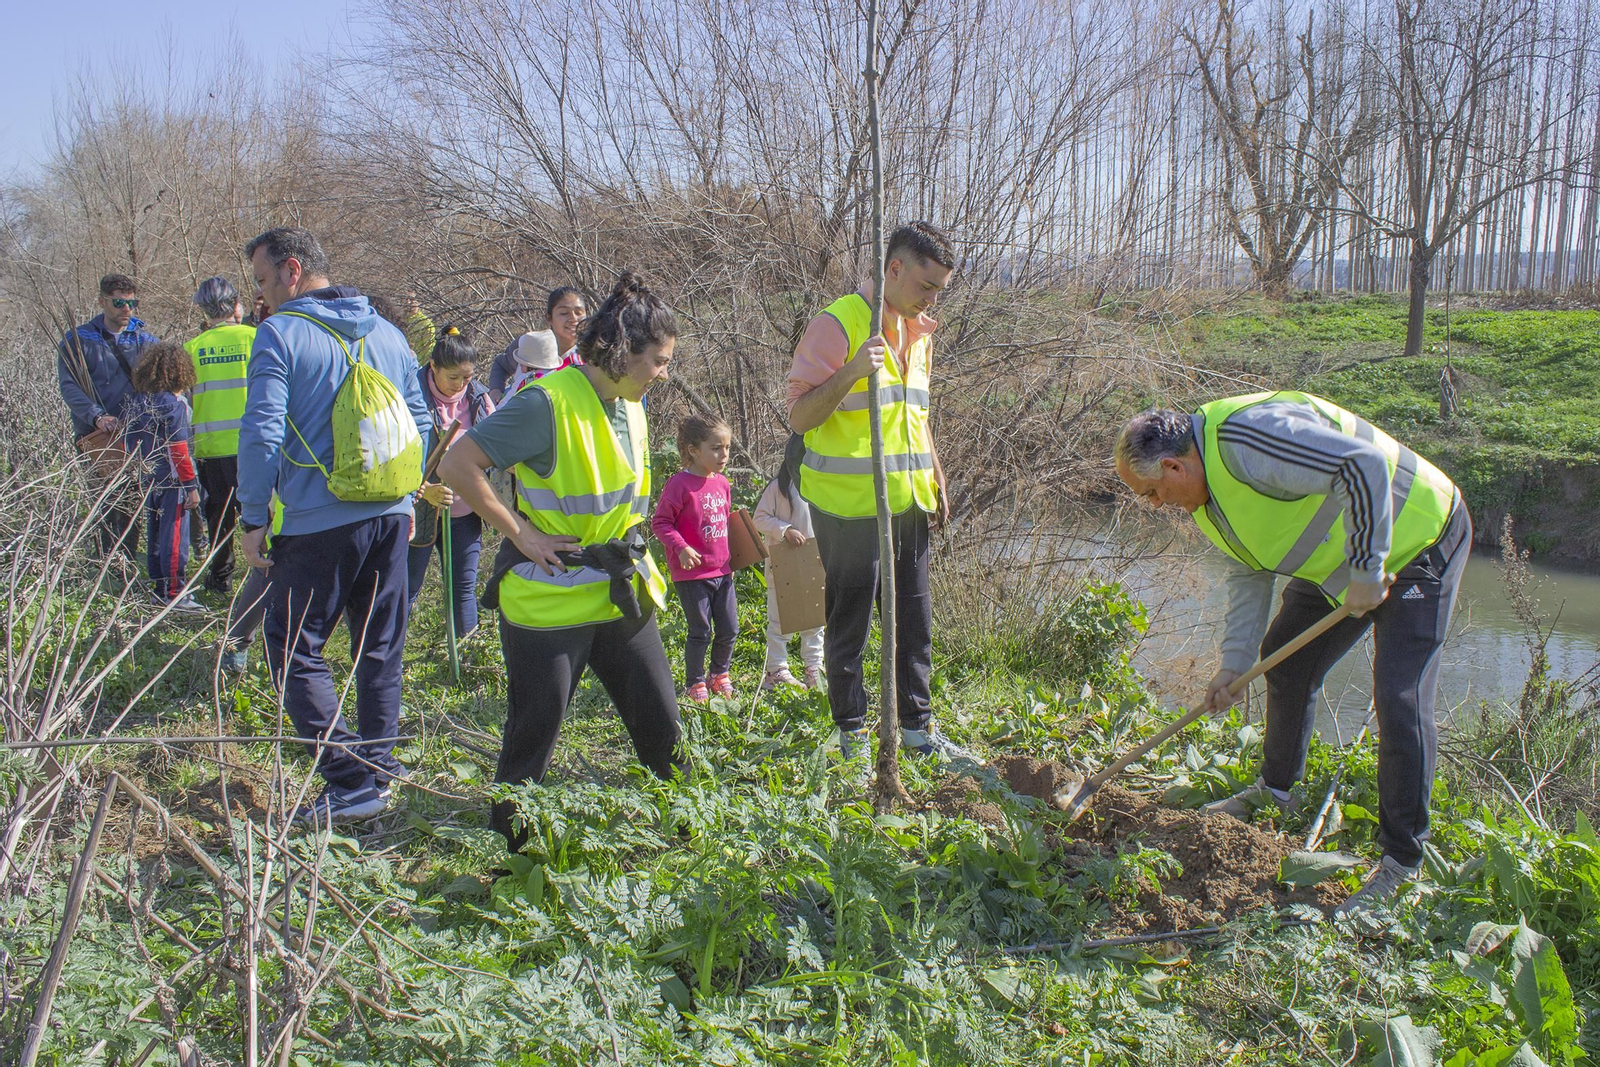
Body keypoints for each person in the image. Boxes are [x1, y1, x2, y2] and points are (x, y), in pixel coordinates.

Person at [1112, 391, 1471, 916]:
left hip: (1416, 540)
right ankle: (1276, 791)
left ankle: (1402, 861)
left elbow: (1362, 464)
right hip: (1341, 558)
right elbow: (1248, 570)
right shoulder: (1205, 499)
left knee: (1399, 696)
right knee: (1284, 659)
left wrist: (1369, 568)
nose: (1156, 504)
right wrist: (1234, 666)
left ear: (1172, 465)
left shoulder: (1246, 439)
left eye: (1151, 492)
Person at [438, 272, 685, 849]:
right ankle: (512, 866)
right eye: (660, 361)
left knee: (662, 726)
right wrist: (519, 533)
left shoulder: (631, 402)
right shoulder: (545, 403)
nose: (664, 374)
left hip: (618, 589)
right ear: (625, 353)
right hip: (550, 602)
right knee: (532, 740)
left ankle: (689, 843)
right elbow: (457, 466)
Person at [236, 227, 432, 825]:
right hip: (393, 517)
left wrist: (252, 516)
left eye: (266, 281)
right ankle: (382, 768)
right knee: (380, 646)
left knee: (292, 646)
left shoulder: (279, 334)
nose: (263, 296)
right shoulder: (389, 333)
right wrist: (400, 491)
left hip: (318, 522)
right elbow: (421, 419)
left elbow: (264, 430)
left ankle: (350, 780)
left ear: (292, 270)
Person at [785, 221, 966, 761]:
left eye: (939, 291)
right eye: (925, 287)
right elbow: (798, 417)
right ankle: (853, 737)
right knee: (851, 627)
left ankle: (917, 732)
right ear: (893, 269)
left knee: (914, 621)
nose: (932, 299)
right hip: (849, 508)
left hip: (909, 502)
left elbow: (914, 412)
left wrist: (934, 469)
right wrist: (851, 372)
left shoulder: (919, 333)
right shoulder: (837, 325)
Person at [56, 273, 161, 556]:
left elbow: (159, 385)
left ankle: (125, 560)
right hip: (96, 436)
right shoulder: (79, 340)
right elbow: (69, 386)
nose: (126, 309)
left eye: (131, 303)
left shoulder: (146, 340)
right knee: (102, 500)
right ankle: (104, 560)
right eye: (118, 303)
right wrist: (96, 416)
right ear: (102, 301)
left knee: (132, 501)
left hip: (135, 435)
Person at [408, 326, 494, 638]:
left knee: (463, 589)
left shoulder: (479, 399)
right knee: (407, 589)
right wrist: (424, 489)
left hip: (465, 512)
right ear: (433, 367)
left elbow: (493, 450)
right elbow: (396, 456)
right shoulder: (411, 397)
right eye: (452, 377)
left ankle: (469, 660)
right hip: (420, 510)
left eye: (467, 378)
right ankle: (388, 663)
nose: (459, 385)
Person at [652, 413, 737, 703]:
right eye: (716, 448)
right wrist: (681, 547)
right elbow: (661, 523)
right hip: (691, 574)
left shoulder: (723, 483)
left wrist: (731, 561)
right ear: (693, 450)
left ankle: (719, 674)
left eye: (727, 448)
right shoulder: (679, 485)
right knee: (701, 629)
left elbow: (724, 523)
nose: (723, 454)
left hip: (722, 571)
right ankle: (695, 682)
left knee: (729, 628)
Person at [184, 277, 257, 594]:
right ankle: (268, 573)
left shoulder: (192, 349)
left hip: (212, 448)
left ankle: (221, 577)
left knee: (219, 516)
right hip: (255, 446)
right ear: (236, 305)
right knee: (261, 512)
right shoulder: (255, 339)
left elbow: (185, 404)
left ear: (204, 310)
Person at [124, 342, 203, 611]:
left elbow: (129, 442)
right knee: (175, 538)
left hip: (149, 478)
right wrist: (190, 485)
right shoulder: (174, 405)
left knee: (156, 536)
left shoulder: (138, 401)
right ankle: (175, 593)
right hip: (173, 480)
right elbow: (179, 448)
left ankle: (159, 589)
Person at [752, 434, 825, 691]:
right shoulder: (779, 487)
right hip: (783, 564)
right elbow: (758, 518)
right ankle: (776, 670)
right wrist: (785, 530)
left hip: (814, 563)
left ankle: (814, 668)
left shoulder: (822, 484)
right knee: (780, 620)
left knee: (815, 619)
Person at [488, 286, 587, 401]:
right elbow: (501, 365)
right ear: (549, 318)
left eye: (579, 312)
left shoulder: (592, 354)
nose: (573, 318)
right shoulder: (530, 344)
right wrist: (495, 391)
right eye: (564, 313)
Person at [502, 329, 581, 398]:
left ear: (529, 366)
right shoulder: (563, 379)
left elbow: (502, 408)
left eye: (522, 363)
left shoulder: (525, 380)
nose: (521, 369)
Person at [403, 292, 436, 363]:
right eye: (406, 299)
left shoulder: (425, 322)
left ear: (418, 302)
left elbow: (429, 348)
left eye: (411, 300)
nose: (408, 302)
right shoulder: (398, 319)